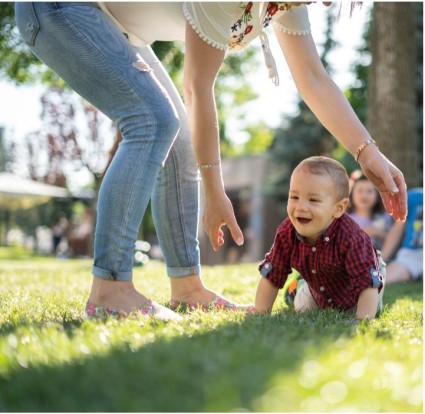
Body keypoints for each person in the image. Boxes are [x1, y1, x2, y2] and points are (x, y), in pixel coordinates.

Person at [15, 2, 406, 320]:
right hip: (60, 9)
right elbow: (197, 87)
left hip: (114, 24)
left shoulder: (289, 3)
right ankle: (110, 290)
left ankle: (187, 288)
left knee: (180, 136)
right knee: (153, 120)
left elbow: (313, 79)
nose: (324, 3)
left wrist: (367, 152)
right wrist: (214, 191)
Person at [255, 156, 385, 320]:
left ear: (338, 208)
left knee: (370, 309)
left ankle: (299, 285)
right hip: (319, 290)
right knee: (304, 308)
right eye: (294, 197)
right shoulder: (287, 232)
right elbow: (272, 275)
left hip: (359, 290)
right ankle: (297, 288)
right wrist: (260, 315)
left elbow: (367, 284)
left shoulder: (352, 237)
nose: (301, 207)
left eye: (314, 200)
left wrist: (362, 322)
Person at [381, 188, 423, 284]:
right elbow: (397, 230)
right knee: (383, 279)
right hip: (412, 254)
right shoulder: (412, 197)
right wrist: (381, 259)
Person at [347, 172, 393, 250]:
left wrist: (378, 233)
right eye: (360, 191)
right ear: (351, 194)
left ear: (378, 195)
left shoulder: (385, 217)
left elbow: (393, 240)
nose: (364, 195)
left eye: (369, 191)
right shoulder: (345, 218)